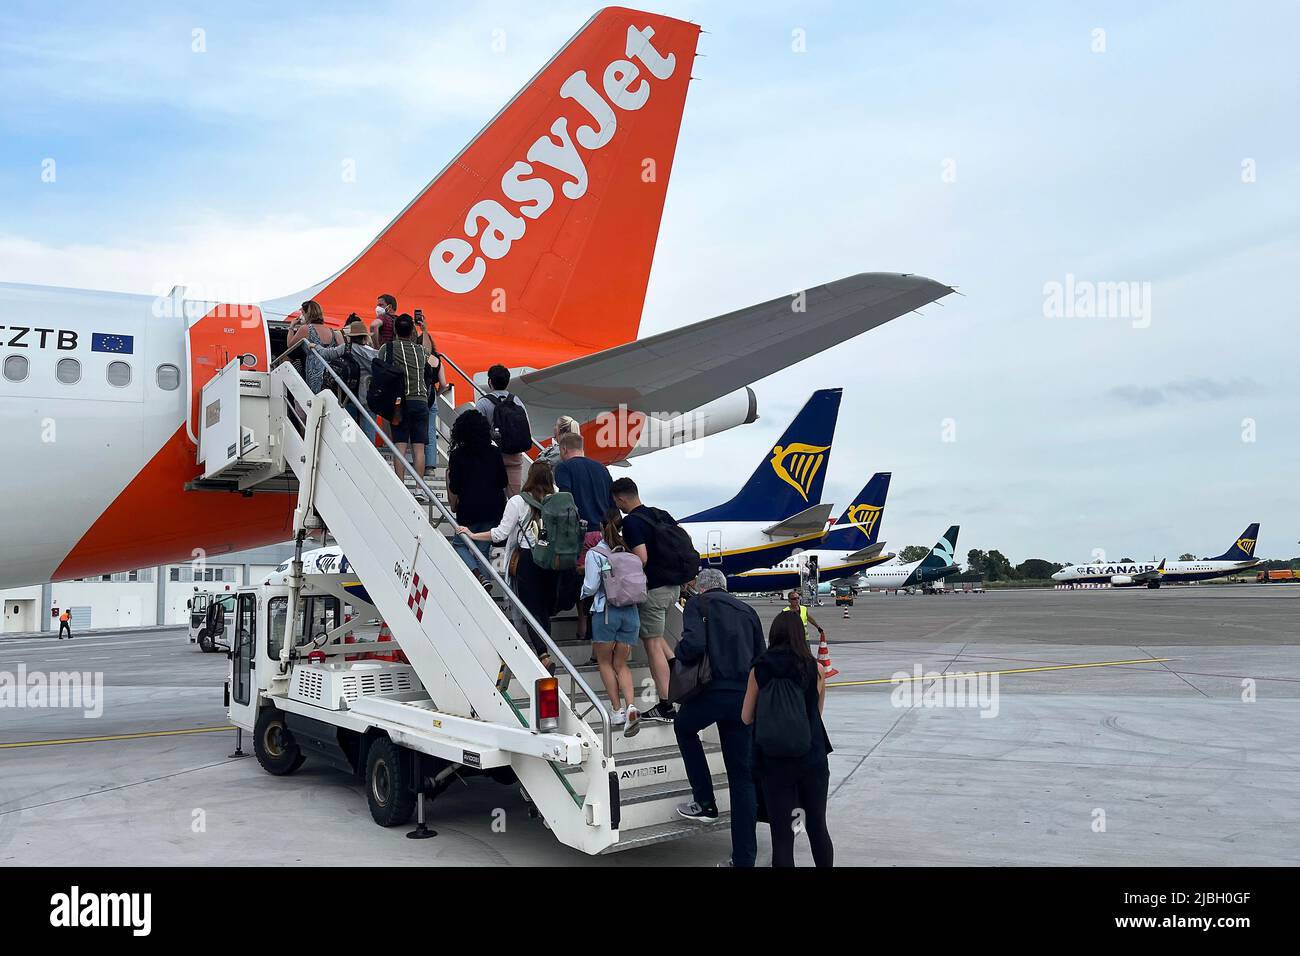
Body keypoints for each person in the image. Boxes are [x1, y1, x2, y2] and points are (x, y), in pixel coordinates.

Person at [672, 567, 764, 868]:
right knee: (741, 779)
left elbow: (694, 645)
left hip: (713, 691)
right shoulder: (748, 610)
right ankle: (743, 858)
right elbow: (761, 658)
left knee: (684, 727)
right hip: (744, 698)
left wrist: (678, 651)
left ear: (701, 587)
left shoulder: (699, 604)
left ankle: (705, 801)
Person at [743, 609, 834, 867]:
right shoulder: (815, 669)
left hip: (774, 762)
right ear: (800, 636)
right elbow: (817, 714)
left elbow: (746, 717)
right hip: (812, 758)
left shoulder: (759, 668)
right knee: (817, 827)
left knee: (782, 835)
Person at [459, 459, 558, 673]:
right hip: (550, 561)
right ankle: (546, 650)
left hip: (527, 560)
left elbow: (500, 534)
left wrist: (473, 534)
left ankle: (543, 656)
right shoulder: (556, 499)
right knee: (542, 608)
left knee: (529, 609)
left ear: (529, 477)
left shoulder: (517, 502)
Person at [611, 476, 693, 724]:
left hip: (655, 589)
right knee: (658, 638)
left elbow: (642, 558)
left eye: (617, 502)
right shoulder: (660, 514)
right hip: (673, 588)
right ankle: (675, 666)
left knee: (651, 645)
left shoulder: (633, 523)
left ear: (620, 498)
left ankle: (666, 704)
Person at [580, 508, 642, 729]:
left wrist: (582, 594)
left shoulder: (595, 553)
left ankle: (617, 711)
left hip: (606, 612)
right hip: (631, 613)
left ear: (600, 528)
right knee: (622, 664)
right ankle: (632, 706)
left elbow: (591, 585)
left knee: (605, 663)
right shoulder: (629, 552)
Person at [446, 409, 507, 589]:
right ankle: (484, 584)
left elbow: (455, 487)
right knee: (483, 550)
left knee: (459, 545)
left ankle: (479, 576)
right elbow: (503, 480)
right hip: (493, 509)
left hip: (469, 510)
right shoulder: (494, 452)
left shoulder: (457, 455)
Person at [309, 316, 377, 443]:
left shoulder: (347, 348)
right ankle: (369, 458)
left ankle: (349, 456)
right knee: (368, 431)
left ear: (350, 337)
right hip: (369, 394)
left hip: (349, 392)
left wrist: (315, 347)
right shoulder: (374, 353)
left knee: (348, 431)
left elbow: (327, 354)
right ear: (365, 337)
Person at [388, 314, 431, 497]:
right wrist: (425, 329)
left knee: (400, 446)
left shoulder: (389, 348)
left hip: (400, 402)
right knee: (419, 447)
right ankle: (419, 489)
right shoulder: (420, 351)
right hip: (421, 401)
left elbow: (379, 363)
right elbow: (428, 350)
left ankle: (400, 487)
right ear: (412, 330)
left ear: (396, 330)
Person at [475, 364, 533, 497]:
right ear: (507, 381)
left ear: (490, 382)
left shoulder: (483, 403)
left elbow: (477, 432)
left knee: (493, 496)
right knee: (514, 498)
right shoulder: (517, 401)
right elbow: (527, 427)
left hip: (492, 456)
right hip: (514, 454)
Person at [415, 314, 449, 477]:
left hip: (416, 394)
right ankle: (429, 467)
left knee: (415, 429)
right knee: (429, 431)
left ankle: (416, 462)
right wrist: (437, 393)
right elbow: (443, 383)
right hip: (431, 396)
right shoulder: (438, 360)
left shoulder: (415, 357)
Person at [286, 300, 340, 394]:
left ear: (308, 313)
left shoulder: (306, 329)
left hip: (314, 370)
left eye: (302, 313)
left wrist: (291, 327)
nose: (301, 316)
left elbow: (290, 345)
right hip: (330, 371)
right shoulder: (331, 331)